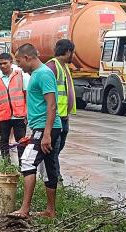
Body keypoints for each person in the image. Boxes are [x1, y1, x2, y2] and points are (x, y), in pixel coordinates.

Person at [10, 43, 62, 218]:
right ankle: (50, 211)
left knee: (26, 161)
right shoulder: (36, 74)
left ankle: (24, 209)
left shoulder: (44, 74)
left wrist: (46, 134)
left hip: (46, 128)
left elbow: (52, 105)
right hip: (40, 128)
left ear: (27, 57)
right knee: (48, 167)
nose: (18, 65)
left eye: (18, 61)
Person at [0, 53, 29, 166]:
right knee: (4, 141)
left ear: (11, 63)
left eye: (5, 63)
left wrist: (28, 114)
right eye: (0, 64)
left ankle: (23, 166)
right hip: (3, 116)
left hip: (19, 115)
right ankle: (6, 165)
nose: (2, 66)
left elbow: (27, 96)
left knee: (21, 142)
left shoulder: (21, 76)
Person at [46, 39, 76, 180]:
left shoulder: (63, 67)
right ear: (68, 52)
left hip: (64, 116)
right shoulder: (52, 67)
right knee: (54, 149)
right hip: (55, 117)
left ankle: (51, 174)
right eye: (72, 53)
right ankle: (55, 178)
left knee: (58, 148)